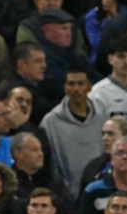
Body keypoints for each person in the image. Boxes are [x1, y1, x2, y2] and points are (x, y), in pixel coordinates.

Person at [41, 68, 108, 198]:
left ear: (89, 87)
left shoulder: (102, 119)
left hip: (99, 191)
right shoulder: (51, 121)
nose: (76, 89)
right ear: (65, 88)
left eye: (80, 84)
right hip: (65, 195)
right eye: (71, 84)